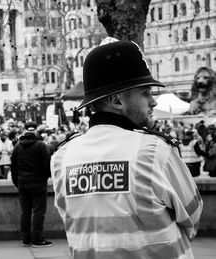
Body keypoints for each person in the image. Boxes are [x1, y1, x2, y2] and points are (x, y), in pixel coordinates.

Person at [50, 38, 203, 259]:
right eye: (145, 92)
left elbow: (71, 221)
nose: (153, 101)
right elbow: (193, 217)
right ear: (117, 101)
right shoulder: (155, 152)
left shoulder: (62, 158)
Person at [11, 122, 52, 247]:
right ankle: (37, 239)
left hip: (23, 183)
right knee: (39, 212)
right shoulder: (41, 146)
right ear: (36, 132)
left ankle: (26, 238)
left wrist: (17, 182)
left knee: (25, 212)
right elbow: (47, 165)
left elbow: (13, 168)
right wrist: (45, 177)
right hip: (38, 183)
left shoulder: (17, 147)